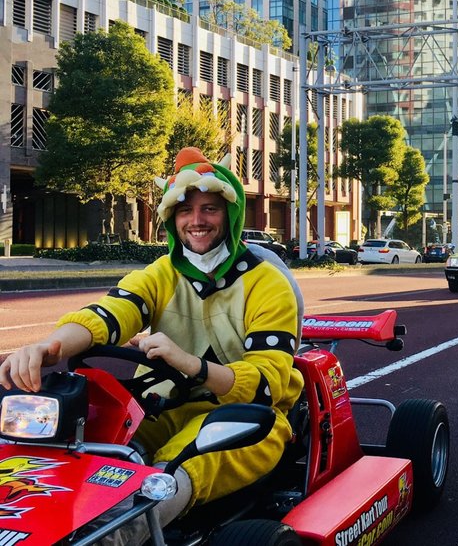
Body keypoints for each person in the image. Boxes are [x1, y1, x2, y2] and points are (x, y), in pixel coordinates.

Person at [0, 147, 305, 541]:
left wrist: (191, 364)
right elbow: (109, 314)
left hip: (246, 417)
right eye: (185, 211)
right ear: (171, 219)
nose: (196, 221)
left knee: (168, 471)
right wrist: (49, 346)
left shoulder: (269, 284)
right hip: (160, 405)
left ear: (231, 214)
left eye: (210, 209)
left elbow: (267, 385)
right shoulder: (160, 273)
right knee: (85, 449)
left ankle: (114, 537)